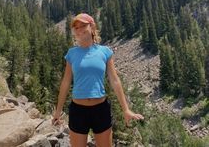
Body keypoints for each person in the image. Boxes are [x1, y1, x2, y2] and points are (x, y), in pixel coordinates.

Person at [52, 13, 144, 147]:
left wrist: (126, 109)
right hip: (78, 110)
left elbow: (115, 80)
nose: (79, 30)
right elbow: (65, 83)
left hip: (101, 110)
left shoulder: (105, 52)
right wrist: (58, 111)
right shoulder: (71, 54)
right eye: (75, 27)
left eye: (83, 25)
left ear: (92, 27)